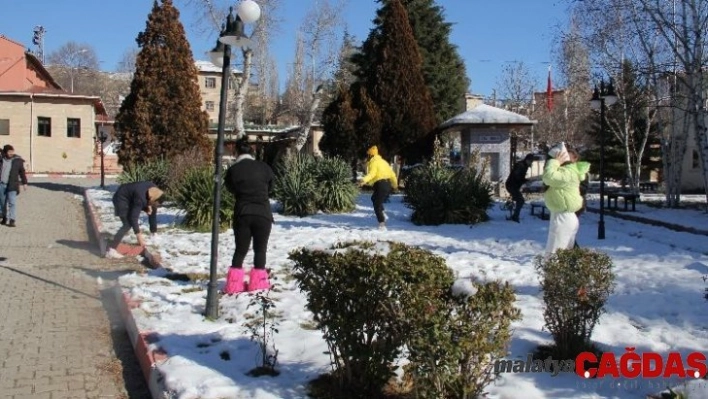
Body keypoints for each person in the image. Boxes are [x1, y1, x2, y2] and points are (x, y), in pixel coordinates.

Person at [223, 139, 275, 294]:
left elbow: (230, 188)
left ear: (236, 152)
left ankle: (234, 285)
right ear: (252, 153)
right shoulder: (264, 168)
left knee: (240, 250)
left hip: (243, 213)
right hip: (263, 213)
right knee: (260, 250)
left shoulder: (234, 170)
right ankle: (258, 283)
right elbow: (271, 186)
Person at [542, 143, 590, 255]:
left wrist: (554, 162)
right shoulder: (569, 171)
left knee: (555, 251)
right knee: (566, 249)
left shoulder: (569, 171)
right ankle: (575, 267)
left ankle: (562, 269)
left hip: (565, 213)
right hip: (565, 212)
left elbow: (548, 177)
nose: (560, 159)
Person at [105, 181, 164, 259]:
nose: (155, 205)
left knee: (153, 209)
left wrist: (149, 205)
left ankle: (153, 233)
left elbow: (147, 200)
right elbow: (133, 218)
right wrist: (139, 237)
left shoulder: (154, 189)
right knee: (127, 224)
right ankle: (111, 250)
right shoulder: (140, 198)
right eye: (154, 203)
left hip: (132, 196)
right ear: (152, 199)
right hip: (121, 199)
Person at [358, 145, 398, 230]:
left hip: (380, 184)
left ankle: (382, 224)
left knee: (377, 204)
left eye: (367, 155)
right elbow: (392, 174)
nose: (367, 158)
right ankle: (383, 213)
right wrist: (395, 185)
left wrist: (363, 180)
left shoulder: (374, 162)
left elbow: (372, 174)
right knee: (374, 198)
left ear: (370, 155)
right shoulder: (384, 162)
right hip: (387, 185)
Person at [0, 145, 28, 227]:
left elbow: (22, 172)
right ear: (5, 152)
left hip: (12, 185)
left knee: (12, 202)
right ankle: (5, 217)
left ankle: (12, 220)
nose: (11, 153)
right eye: (9, 151)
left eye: (12, 151)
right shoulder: (2, 160)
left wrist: (24, 183)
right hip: (2, 185)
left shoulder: (17, 161)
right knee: (2, 203)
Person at [505, 153, 535, 222]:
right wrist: (525, 181)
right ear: (527, 160)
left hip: (514, 186)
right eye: (531, 161)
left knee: (518, 200)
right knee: (521, 200)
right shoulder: (520, 165)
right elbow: (517, 176)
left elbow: (520, 177)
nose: (531, 163)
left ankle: (513, 213)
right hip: (511, 185)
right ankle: (515, 217)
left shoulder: (525, 166)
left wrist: (525, 181)